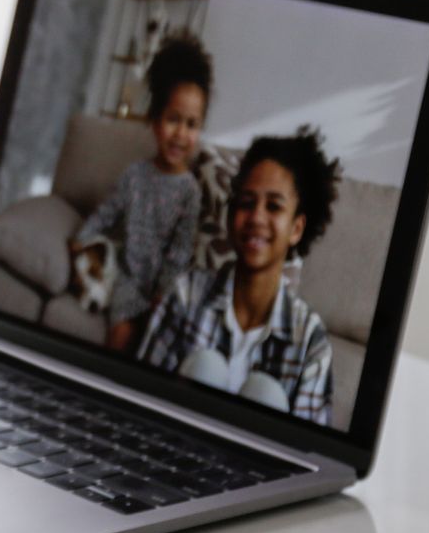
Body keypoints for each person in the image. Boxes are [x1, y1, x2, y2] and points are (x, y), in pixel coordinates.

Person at [135, 127, 340, 425]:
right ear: (232, 216)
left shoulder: (310, 340)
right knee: (206, 367)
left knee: (266, 394)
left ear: (296, 228)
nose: (256, 217)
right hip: (171, 446)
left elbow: (309, 451)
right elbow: (141, 396)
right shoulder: (186, 293)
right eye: (246, 203)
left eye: (273, 206)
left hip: (260, 467)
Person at [73, 32, 212, 352]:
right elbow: (106, 212)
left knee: (163, 342)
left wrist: (162, 293)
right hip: (128, 278)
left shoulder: (190, 191)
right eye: (173, 120)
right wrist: (82, 239)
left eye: (192, 125)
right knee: (122, 334)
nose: (181, 134)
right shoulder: (135, 175)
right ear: (154, 121)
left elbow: (179, 253)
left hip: (165, 289)